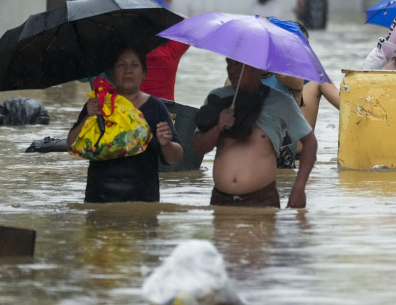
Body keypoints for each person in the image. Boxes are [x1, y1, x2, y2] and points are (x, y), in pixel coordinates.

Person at [194, 58, 317, 208]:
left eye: (239, 65)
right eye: (229, 63)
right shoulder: (218, 98)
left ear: (256, 68)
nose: (231, 69)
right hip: (220, 200)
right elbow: (197, 148)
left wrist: (299, 188)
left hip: (262, 199)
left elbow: (310, 143)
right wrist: (218, 126)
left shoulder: (281, 102)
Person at [66, 48, 185, 203]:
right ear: (111, 73)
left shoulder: (156, 107)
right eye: (121, 65)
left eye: (135, 65)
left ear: (144, 74)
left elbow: (175, 158)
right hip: (100, 197)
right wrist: (88, 116)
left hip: (143, 200)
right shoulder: (98, 104)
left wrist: (166, 144)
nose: (128, 70)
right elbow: (71, 146)